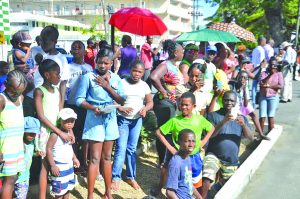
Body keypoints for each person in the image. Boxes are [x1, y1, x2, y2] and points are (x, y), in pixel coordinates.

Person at [76, 48, 126, 199]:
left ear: (112, 63)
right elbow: (79, 99)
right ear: (96, 61)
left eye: (106, 63)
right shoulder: (88, 77)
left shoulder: (116, 79)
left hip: (110, 119)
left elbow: (122, 100)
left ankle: (108, 192)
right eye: (99, 62)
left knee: (107, 158)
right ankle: (90, 194)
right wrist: (93, 108)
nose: (102, 66)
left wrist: (107, 86)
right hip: (94, 118)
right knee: (95, 158)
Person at [155, 92, 214, 196]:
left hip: (193, 155)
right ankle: (159, 188)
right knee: (168, 171)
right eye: (182, 104)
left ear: (194, 106)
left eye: (187, 105)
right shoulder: (175, 121)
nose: (183, 107)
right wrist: (170, 148)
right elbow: (158, 132)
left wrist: (203, 142)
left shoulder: (199, 119)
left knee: (192, 180)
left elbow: (211, 128)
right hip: (177, 155)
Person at [201, 91, 253, 199]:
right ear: (222, 101)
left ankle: (216, 188)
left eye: (232, 100)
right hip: (213, 155)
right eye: (226, 100)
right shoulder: (213, 115)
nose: (229, 102)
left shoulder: (241, 118)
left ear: (235, 102)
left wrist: (243, 125)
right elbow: (209, 135)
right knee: (207, 177)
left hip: (231, 159)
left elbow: (250, 137)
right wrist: (223, 122)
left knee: (228, 186)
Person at [34, 59, 74, 199]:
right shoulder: (39, 91)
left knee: (57, 162)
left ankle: (61, 190)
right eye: (57, 74)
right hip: (47, 132)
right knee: (45, 166)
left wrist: (70, 131)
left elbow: (61, 112)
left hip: (59, 133)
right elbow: (41, 116)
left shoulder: (57, 90)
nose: (59, 76)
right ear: (47, 74)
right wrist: (59, 132)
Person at [112, 61, 153, 191]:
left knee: (131, 149)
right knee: (121, 148)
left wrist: (145, 109)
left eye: (140, 72)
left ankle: (131, 177)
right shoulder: (122, 83)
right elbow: (114, 101)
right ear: (130, 70)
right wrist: (121, 108)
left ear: (143, 73)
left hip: (137, 121)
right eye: (135, 70)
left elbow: (150, 102)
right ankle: (115, 177)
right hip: (123, 120)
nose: (137, 74)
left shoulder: (144, 85)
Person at [149, 39, 184, 166]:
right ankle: (163, 161)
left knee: (168, 131)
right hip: (165, 104)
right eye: (182, 51)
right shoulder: (166, 65)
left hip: (171, 103)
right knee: (164, 131)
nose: (183, 53)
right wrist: (163, 91)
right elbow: (153, 76)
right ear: (175, 53)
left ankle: (165, 160)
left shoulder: (174, 65)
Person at [66, 40, 93, 172]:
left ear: (84, 51)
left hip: (85, 106)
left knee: (84, 136)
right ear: (71, 51)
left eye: (79, 47)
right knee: (73, 135)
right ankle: (74, 162)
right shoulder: (68, 67)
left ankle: (84, 162)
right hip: (71, 105)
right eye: (73, 48)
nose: (76, 50)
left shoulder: (89, 68)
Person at [0, 70, 27, 199]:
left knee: (13, 178)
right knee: (9, 180)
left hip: (16, 147)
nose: (16, 95)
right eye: (13, 91)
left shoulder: (20, 98)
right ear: (5, 84)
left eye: (20, 92)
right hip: (5, 149)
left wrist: (21, 143)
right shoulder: (1, 99)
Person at [46, 108, 80, 199]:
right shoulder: (55, 135)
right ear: (60, 120)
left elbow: (69, 148)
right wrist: (53, 165)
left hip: (69, 167)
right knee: (59, 192)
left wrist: (75, 158)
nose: (69, 123)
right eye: (66, 121)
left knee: (67, 189)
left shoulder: (69, 133)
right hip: (59, 168)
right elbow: (48, 149)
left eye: (72, 121)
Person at [230, 71, 269, 140]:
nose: (242, 79)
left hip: (241, 102)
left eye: (245, 78)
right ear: (237, 77)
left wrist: (244, 89)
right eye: (241, 77)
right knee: (239, 118)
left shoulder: (245, 86)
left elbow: (245, 104)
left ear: (247, 80)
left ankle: (261, 134)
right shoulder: (232, 85)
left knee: (253, 114)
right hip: (233, 104)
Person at [40, 25, 71, 108]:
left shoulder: (61, 59)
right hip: (36, 97)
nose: (42, 44)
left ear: (55, 41)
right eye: (41, 41)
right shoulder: (38, 55)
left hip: (53, 100)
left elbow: (63, 83)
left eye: (45, 42)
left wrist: (61, 105)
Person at [166, 129, 202, 199]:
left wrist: (199, 197)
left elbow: (188, 183)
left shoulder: (187, 158)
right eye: (187, 141)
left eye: (193, 141)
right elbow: (169, 192)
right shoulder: (176, 162)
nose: (191, 144)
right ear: (179, 142)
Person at [14, 117, 40, 199]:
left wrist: (37, 154)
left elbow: (30, 154)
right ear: (23, 131)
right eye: (30, 133)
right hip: (14, 177)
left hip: (25, 177)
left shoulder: (32, 143)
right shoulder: (17, 143)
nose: (32, 136)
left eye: (34, 133)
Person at [259, 58, 284, 132]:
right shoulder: (264, 73)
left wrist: (270, 86)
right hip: (263, 96)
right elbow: (261, 83)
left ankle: (271, 133)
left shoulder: (279, 73)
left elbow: (281, 85)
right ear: (269, 64)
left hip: (273, 96)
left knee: (271, 116)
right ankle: (260, 134)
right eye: (272, 64)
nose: (273, 66)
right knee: (262, 116)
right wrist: (270, 74)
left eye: (275, 65)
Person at [251, 37, 267, 109]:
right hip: (260, 70)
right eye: (264, 42)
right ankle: (260, 102)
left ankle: (253, 103)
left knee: (254, 87)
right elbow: (262, 62)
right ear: (262, 41)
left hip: (254, 70)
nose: (265, 43)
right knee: (261, 87)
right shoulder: (261, 50)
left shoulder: (255, 49)